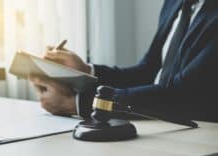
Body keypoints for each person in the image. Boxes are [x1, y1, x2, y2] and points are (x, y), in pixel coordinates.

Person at [30, 0, 218, 122]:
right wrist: (86, 70)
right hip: (160, 126)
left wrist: (77, 104)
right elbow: (148, 71)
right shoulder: (174, 4)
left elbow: (180, 95)